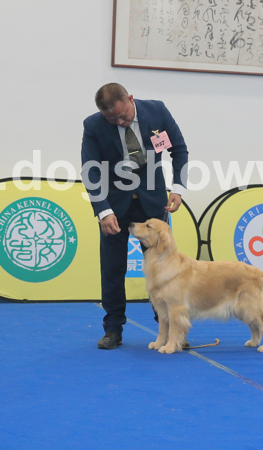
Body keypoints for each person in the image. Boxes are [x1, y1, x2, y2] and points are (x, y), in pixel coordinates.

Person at [80, 83, 188, 349]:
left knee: (164, 270)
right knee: (113, 269)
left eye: (123, 116)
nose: (119, 122)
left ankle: (169, 330)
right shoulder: (93, 125)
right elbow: (90, 170)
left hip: (152, 207)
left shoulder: (157, 112)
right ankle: (113, 329)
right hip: (114, 209)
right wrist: (103, 210)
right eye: (112, 119)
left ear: (130, 99)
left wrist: (178, 188)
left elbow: (179, 150)